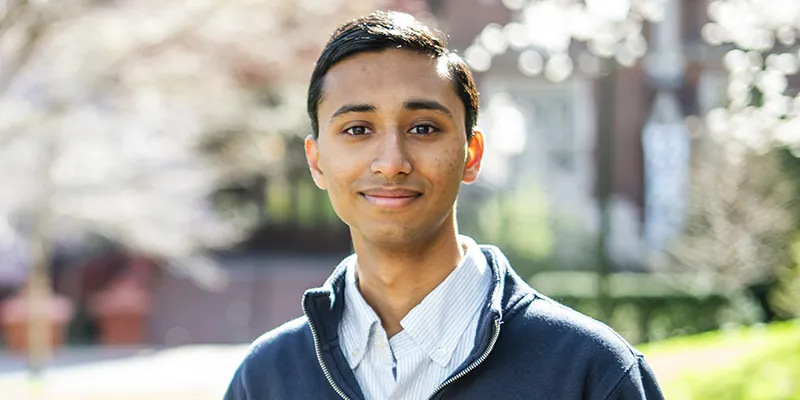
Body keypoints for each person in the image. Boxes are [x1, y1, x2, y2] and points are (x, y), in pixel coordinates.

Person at [224, 10, 664, 400]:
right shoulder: (265, 379)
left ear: (471, 155)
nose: (392, 162)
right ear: (317, 161)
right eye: (358, 129)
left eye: (423, 128)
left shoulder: (589, 372)